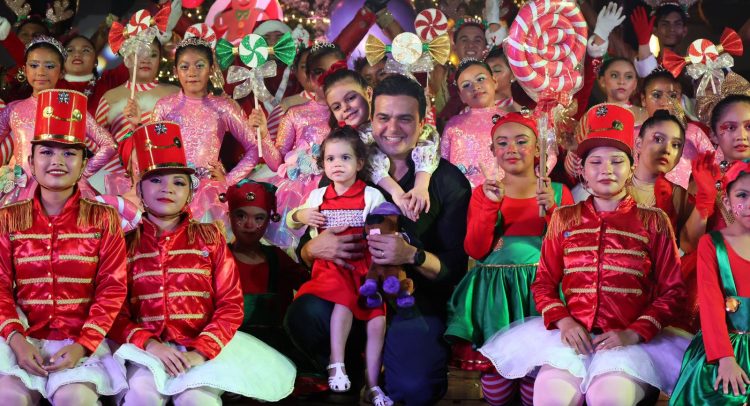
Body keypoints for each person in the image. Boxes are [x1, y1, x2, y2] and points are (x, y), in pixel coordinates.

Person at [480, 104, 689, 405]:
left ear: (631, 167)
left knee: (608, 398)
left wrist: (634, 333)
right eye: (596, 162)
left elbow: (673, 291)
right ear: (583, 171)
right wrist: (564, 321)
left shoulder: (654, 221)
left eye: (617, 160)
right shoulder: (564, 218)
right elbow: (543, 283)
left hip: (629, 342)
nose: (606, 169)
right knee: (549, 398)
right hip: (571, 339)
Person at [285, 74, 471, 405]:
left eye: (405, 119)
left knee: (413, 389)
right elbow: (306, 242)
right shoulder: (348, 165)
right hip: (349, 293)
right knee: (304, 313)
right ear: (372, 119)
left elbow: (453, 269)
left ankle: (393, 369)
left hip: (411, 301)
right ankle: (353, 372)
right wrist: (313, 248)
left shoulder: (447, 181)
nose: (392, 128)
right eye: (383, 117)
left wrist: (412, 255)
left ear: (422, 122)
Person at [109, 121, 295, 405]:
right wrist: (150, 344)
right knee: (141, 397)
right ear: (140, 189)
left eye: (178, 182)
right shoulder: (124, 244)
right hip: (145, 351)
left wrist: (201, 351)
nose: (167, 189)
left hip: (203, 349)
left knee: (197, 400)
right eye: (156, 180)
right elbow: (114, 311)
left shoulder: (210, 238)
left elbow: (230, 305)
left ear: (190, 191)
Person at [0, 89, 128, 405]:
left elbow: (112, 288)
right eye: (47, 152)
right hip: (21, 339)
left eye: (69, 153)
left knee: (75, 400)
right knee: (7, 397)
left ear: (84, 163)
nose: (57, 161)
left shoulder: (103, 218)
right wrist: (17, 340)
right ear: (30, 161)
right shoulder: (8, 218)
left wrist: (83, 344)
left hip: (81, 343)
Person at [446, 112, 574, 405]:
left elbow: (570, 247)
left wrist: (553, 211)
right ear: (492, 150)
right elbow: (476, 249)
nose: (511, 149)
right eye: (502, 143)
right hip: (497, 296)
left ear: (538, 148)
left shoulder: (556, 191)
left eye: (521, 141)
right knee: (497, 379)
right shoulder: (485, 193)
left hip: (539, 292)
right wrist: (490, 205)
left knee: (534, 374)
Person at [287, 127, 391, 405]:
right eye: (330, 159)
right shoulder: (318, 196)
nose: (337, 164)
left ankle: (372, 384)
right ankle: (336, 362)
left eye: (345, 158)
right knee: (343, 299)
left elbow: (386, 226)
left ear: (359, 163)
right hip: (331, 268)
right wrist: (301, 215)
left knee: (378, 318)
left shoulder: (371, 195)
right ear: (323, 164)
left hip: (364, 269)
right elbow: (291, 221)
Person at [140, 35, 279, 227]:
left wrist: (228, 180)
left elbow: (254, 148)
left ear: (211, 68)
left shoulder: (223, 107)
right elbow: (152, 151)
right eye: (184, 67)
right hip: (172, 188)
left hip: (209, 193)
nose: (192, 73)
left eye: (199, 65)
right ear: (175, 71)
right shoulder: (165, 106)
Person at [670, 159, 750, 405]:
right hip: (726, 346)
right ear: (726, 201)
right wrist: (725, 358)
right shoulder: (712, 244)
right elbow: (711, 303)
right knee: (719, 392)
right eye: (742, 195)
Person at [0, 36, 117, 205]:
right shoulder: (13, 109)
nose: (41, 72)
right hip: (21, 191)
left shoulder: (73, 108)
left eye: (50, 66)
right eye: (34, 65)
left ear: (62, 72)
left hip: (64, 191)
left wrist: (79, 173)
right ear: (24, 70)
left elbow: (109, 145)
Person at [323, 67, 438, 220]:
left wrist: (421, 186)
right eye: (337, 107)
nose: (346, 108)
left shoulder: (409, 131)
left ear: (368, 93)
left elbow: (428, 143)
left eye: (351, 98)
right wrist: (397, 193)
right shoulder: (344, 142)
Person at [261, 42, 343, 248]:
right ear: (309, 76)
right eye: (319, 72)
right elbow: (277, 163)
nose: (326, 78)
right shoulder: (295, 113)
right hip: (295, 193)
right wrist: (263, 135)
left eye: (334, 71)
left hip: (339, 189)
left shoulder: (350, 113)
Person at [225, 179, 310, 363]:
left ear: (269, 220)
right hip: (228, 352)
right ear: (229, 216)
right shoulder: (218, 259)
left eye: (259, 218)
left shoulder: (277, 258)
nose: (249, 225)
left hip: (275, 354)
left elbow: (311, 287)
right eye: (241, 216)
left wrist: (310, 252)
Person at [96, 39, 179, 199]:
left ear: (160, 59)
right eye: (139, 54)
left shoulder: (175, 94)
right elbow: (98, 144)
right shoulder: (110, 97)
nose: (146, 60)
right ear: (127, 57)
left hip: (163, 178)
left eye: (153, 55)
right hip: (118, 181)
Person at [441, 59, 506, 188]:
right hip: (463, 195)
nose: (475, 87)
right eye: (466, 85)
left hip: (502, 192)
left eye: (480, 79)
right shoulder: (453, 125)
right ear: (461, 96)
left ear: (494, 82)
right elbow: (443, 165)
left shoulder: (511, 121)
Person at [58, 35, 128, 115]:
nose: (77, 54)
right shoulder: (51, 84)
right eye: (70, 50)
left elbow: (134, 62)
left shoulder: (108, 82)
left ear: (95, 62)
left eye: (86, 50)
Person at [597, 57, 648, 124]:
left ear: (635, 84)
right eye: (614, 75)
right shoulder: (592, 115)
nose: (621, 82)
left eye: (628, 77)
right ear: (602, 81)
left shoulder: (645, 116)